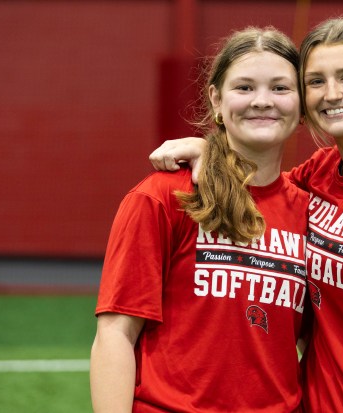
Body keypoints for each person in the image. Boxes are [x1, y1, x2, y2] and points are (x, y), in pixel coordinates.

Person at [149, 16, 343, 413]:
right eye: (316, 81)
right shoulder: (317, 173)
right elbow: (260, 187)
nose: (332, 94)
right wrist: (208, 151)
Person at [90, 27, 311, 413]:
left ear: (302, 103)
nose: (262, 101)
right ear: (216, 100)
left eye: (280, 88)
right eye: (244, 88)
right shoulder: (164, 196)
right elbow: (115, 334)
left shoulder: (310, 211)